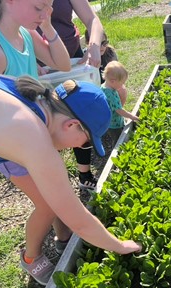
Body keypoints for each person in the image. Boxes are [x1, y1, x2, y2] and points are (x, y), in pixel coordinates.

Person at [0, 71, 141, 288]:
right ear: (72, 125)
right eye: (85, 142)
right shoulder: (31, 132)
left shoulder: (18, 90)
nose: (80, 148)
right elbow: (78, 220)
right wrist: (120, 246)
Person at [0, 0, 77, 283]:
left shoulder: (26, 34)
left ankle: (64, 235)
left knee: (52, 187)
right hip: (13, 147)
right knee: (48, 201)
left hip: (37, 133)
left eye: (49, 8)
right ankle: (31, 256)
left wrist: (48, 25)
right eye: (39, 7)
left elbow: (62, 63)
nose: (45, 14)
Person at [45, 0, 106, 190]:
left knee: (81, 117)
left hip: (74, 60)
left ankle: (84, 173)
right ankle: (52, 182)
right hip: (40, 66)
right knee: (46, 122)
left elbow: (91, 19)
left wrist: (94, 46)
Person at [101, 61, 139, 147]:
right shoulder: (111, 93)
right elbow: (119, 111)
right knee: (118, 140)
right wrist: (132, 116)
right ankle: (118, 153)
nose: (123, 85)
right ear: (113, 81)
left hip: (109, 120)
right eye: (122, 83)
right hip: (115, 123)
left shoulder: (104, 86)